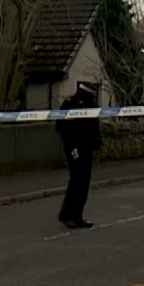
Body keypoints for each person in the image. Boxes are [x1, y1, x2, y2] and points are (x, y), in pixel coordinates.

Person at [55, 82, 102, 229]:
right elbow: (61, 126)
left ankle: (77, 216)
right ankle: (67, 214)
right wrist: (72, 146)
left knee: (83, 183)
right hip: (75, 148)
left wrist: (96, 142)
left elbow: (94, 127)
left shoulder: (91, 105)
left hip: (86, 148)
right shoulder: (71, 104)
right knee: (77, 180)